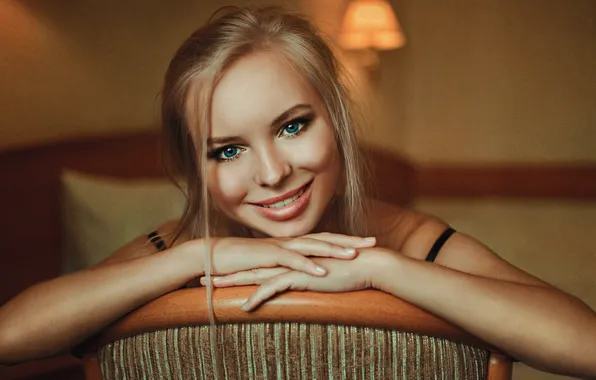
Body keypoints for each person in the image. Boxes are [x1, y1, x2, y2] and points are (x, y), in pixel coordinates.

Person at [1, 6, 595, 378]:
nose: (272, 173)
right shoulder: (175, 247)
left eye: (291, 126)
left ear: (335, 119)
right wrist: (197, 255)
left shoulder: (413, 241)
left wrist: (380, 270)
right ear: (196, 169)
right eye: (227, 150)